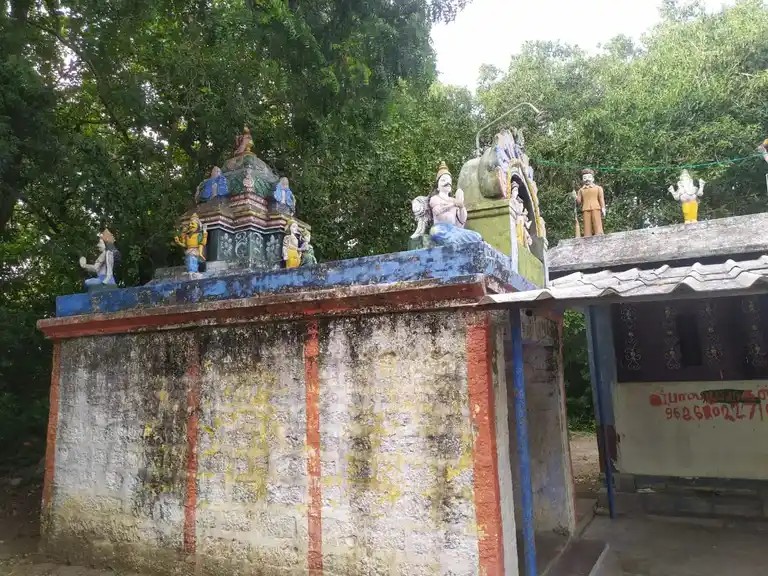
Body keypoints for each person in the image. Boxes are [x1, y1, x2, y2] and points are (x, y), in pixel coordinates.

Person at [575, 168, 605, 237]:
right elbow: (579, 202)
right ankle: (587, 235)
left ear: (593, 178)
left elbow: (601, 199)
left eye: (589, 177)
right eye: (584, 178)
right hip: (586, 208)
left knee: (597, 222)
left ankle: (599, 234)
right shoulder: (581, 190)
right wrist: (575, 198)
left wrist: (603, 208)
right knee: (586, 224)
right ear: (582, 180)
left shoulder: (598, 188)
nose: (587, 179)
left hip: (596, 207)